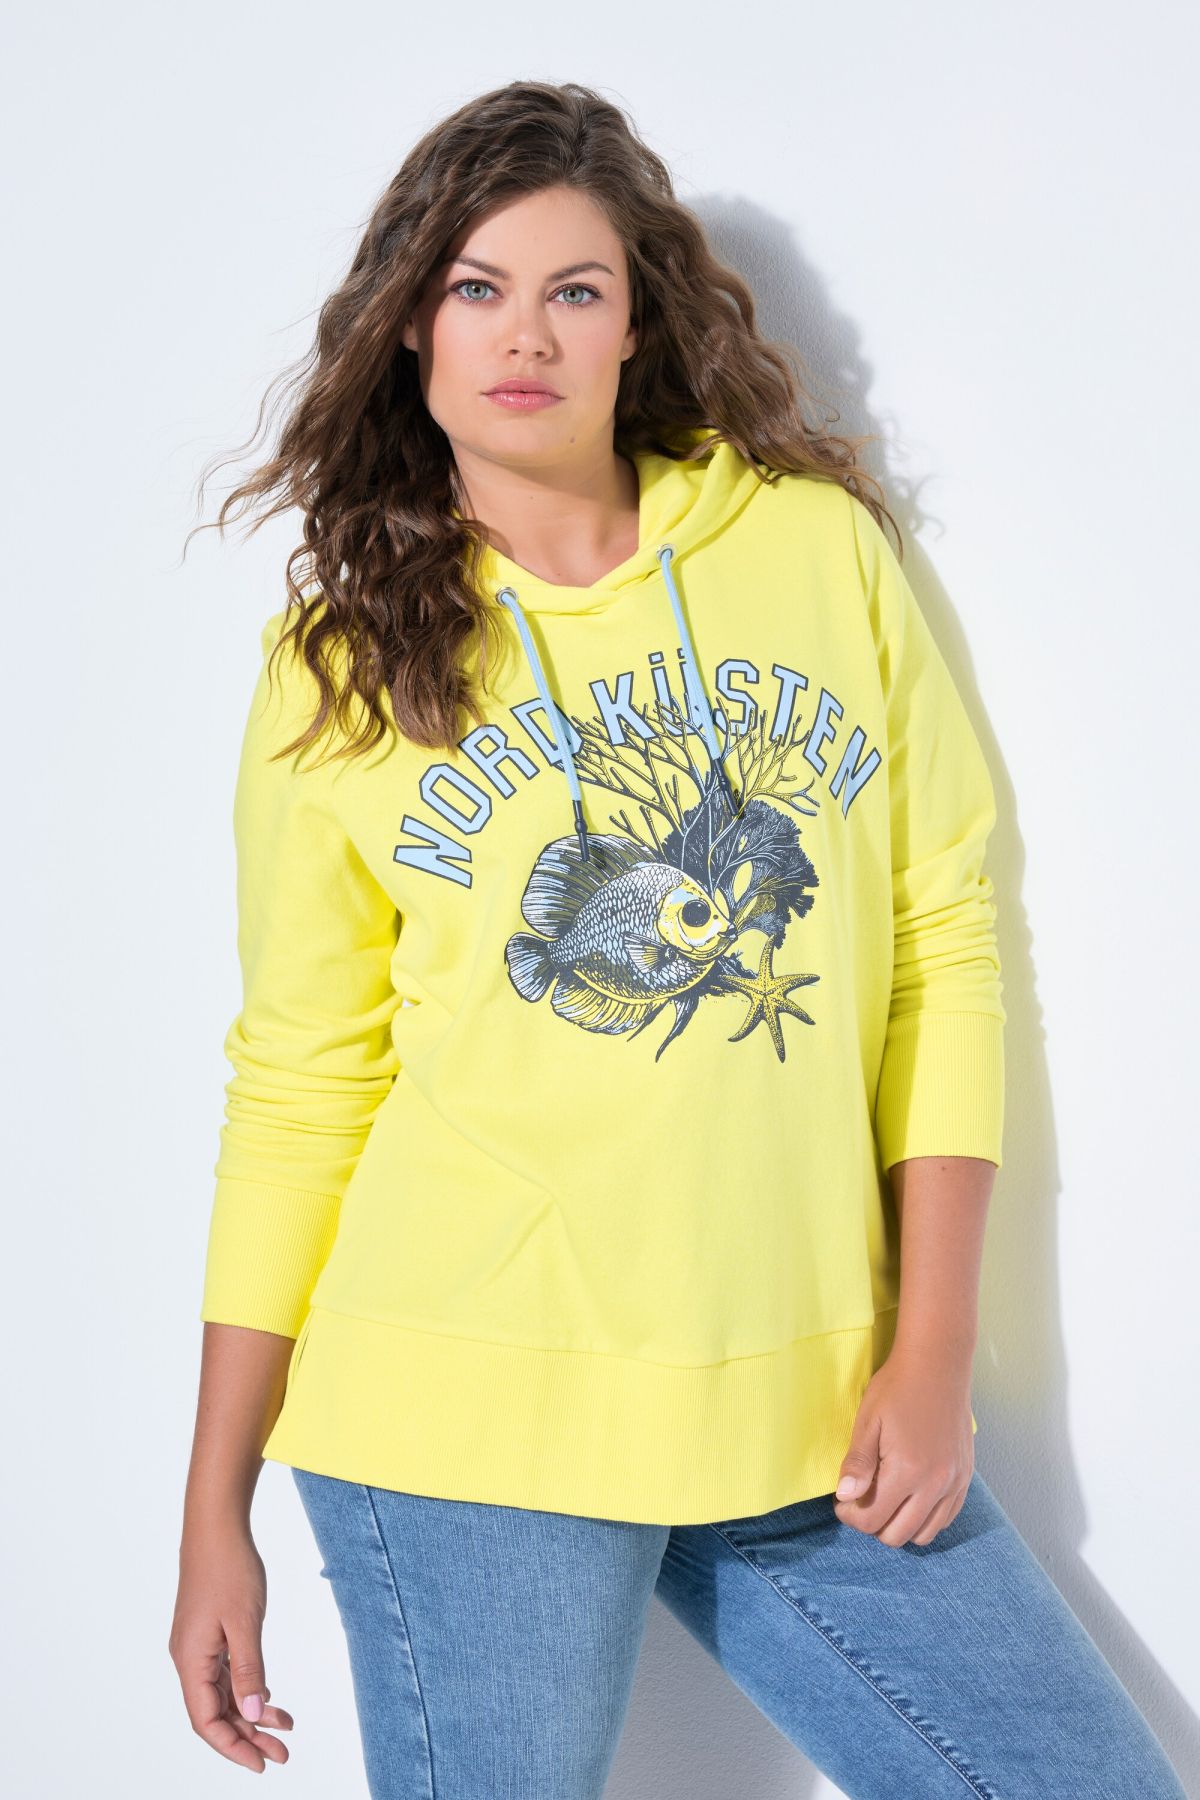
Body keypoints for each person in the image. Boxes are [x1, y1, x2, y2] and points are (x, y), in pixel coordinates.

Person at [169, 79, 1187, 1800]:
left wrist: (932, 1350)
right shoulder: (341, 668)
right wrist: (215, 1507)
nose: (526, 335)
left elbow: (941, 937)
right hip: (464, 1416)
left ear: (637, 324)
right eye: (477, 287)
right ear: (410, 324)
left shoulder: (811, 552)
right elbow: (298, 1081)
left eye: (575, 289)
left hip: (808, 1405)